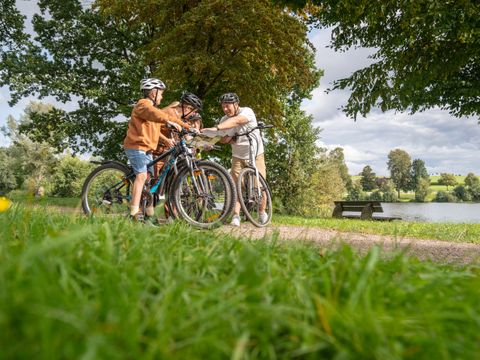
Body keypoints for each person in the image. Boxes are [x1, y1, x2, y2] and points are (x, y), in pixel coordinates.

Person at [123, 78, 196, 222]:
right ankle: (134, 211)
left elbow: (162, 118)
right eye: (161, 93)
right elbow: (159, 115)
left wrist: (188, 127)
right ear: (153, 93)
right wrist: (167, 121)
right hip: (136, 147)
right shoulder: (143, 105)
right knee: (142, 176)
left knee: (149, 181)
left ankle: (148, 214)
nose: (162, 97)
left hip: (147, 149)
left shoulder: (153, 111)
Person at [202, 92, 268, 226]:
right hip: (237, 156)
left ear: (236, 104)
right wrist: (210, 142)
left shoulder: (247, 111)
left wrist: (216, 128)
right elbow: (223, 137)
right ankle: (236, 216)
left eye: (228, 106)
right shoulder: (224, 120)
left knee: (260, 186)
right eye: (223, 107)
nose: (225, 109)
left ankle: (262, 213)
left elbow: (237, 121)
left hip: (255, 154)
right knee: (235, 185)